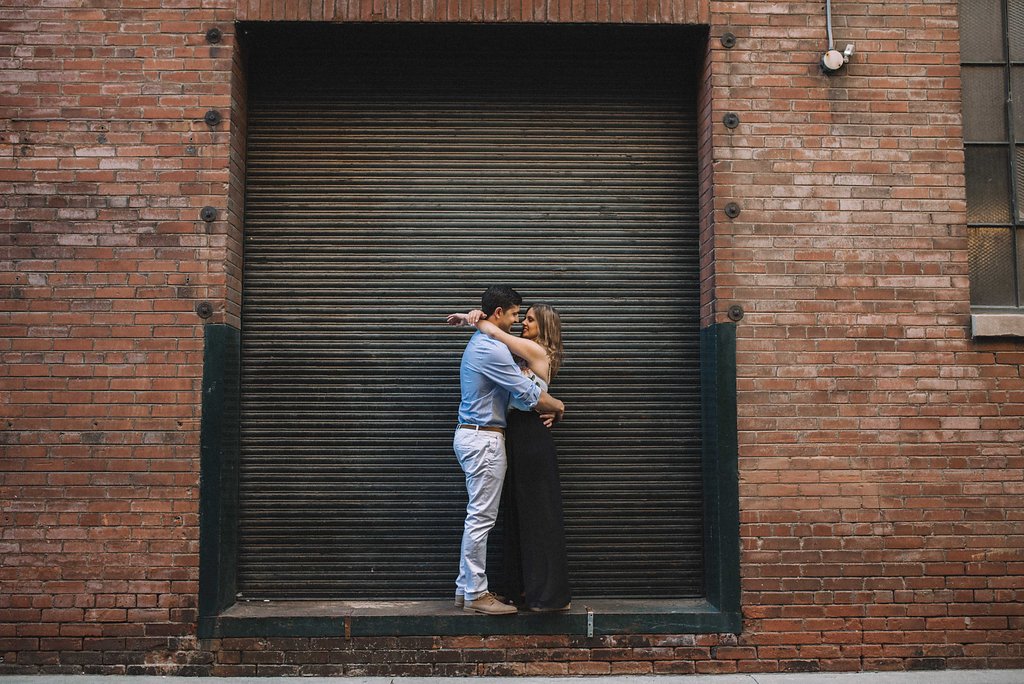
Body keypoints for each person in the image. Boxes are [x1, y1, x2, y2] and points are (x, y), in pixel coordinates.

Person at [447, 302, 572, 612]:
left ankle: (548, 594)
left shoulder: (535, 351)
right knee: (517, 516)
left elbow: (493, 329)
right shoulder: (523, 353)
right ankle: (522, 590)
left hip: (529, 438)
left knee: (538, 515)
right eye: (521, 316)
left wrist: (471, 317)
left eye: (529, 319)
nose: (522, 323)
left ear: (544, 326)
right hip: (514, 436)